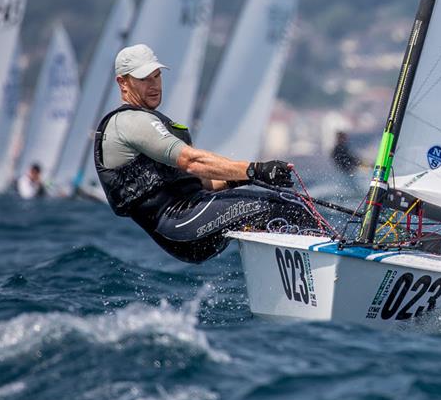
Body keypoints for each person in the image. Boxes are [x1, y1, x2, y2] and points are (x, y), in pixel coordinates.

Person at [94, 44, 315, 263]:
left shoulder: (150, 122)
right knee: (285, 208)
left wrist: (247, 178)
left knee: (288, 205)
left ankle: (300, 278)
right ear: (123, 83)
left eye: (157, 76)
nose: (154, 85)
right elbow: (191, 161)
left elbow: (204, 182)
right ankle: (328, 260)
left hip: (194, 219)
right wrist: (255, 170)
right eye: (144, 79)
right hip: (179, 222)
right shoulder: (128, 122)